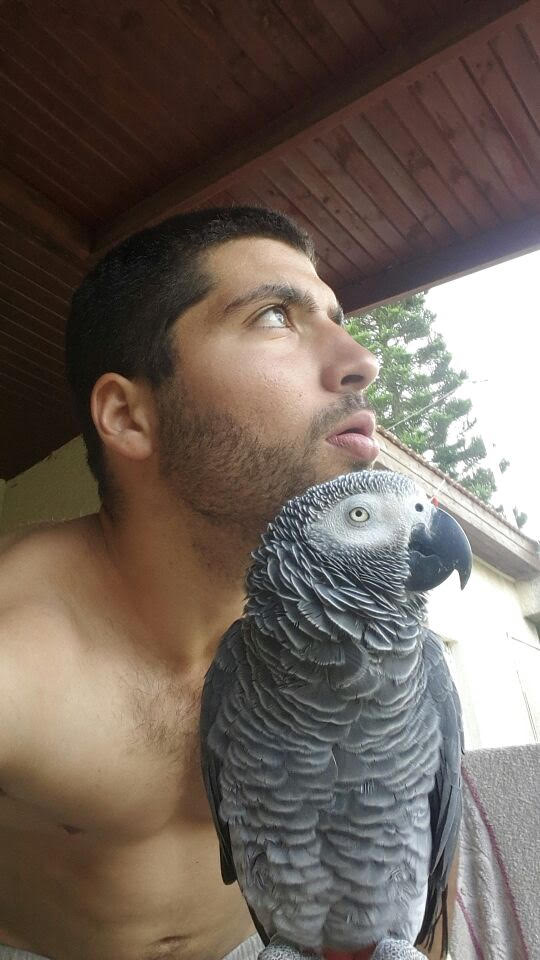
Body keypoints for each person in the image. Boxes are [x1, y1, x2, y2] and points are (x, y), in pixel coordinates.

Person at [0, 207, 453, 960]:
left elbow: (425, 844)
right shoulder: (16, 653)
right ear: (128, 415)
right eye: (275, 315)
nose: (362, 360)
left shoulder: (383, 652)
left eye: (339, 320)